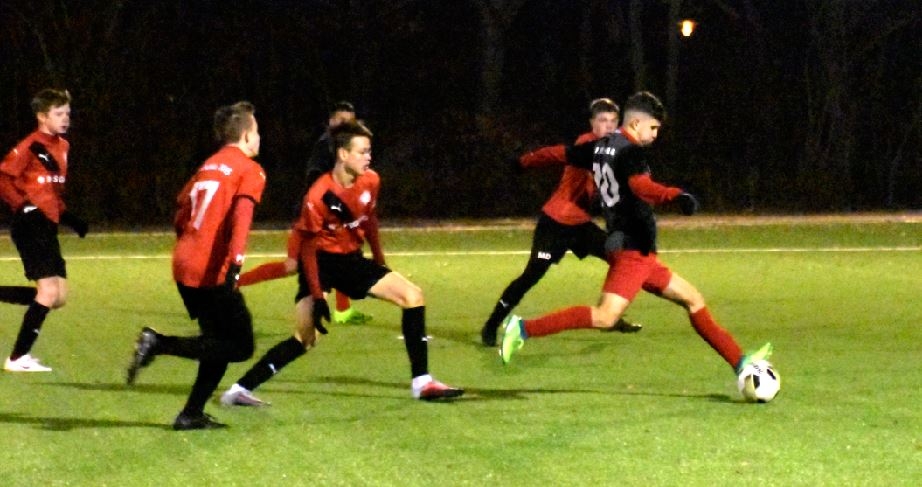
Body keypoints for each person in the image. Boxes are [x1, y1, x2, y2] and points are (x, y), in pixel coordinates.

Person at [499, 91, 772, 379]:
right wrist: (675, 195)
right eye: (653, 127)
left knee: (693, 299)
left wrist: (524, 162)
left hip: (636, 251)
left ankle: (741, 362)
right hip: (633, 251)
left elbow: (557, 153)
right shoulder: (630, 152)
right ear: (635, 123)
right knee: (606, 316)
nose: (655, 135)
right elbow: (640, 186)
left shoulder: (600, 146)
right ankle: (523, 329)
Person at [220, 119, 463, 407]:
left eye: (369, 151)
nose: (368, 157)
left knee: (413, 296)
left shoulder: (371, 180)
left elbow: (369, 221)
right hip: (319, 264)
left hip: (351, 262)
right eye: (362, 152)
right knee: (305, 338)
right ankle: (239, 390)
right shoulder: (318, 195)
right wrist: (317, 295)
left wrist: (380, 262)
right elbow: (308, 250)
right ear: (343, 154)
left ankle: (422, 383)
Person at [125, 101, 266, 430]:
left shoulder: (208, 165)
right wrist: (236, 262)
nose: (260, 138)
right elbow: (242, 216)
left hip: (185, 262)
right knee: (241, 346)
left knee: (217, 341)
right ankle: (158, 343)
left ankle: (191, 413)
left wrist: (189, 244)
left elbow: (181, 210)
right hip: (212, 269)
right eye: (257, 131)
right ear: (246, 135)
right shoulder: (250, 169)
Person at [480, 98, 641, 347]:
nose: (608, 126)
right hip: (555, 223)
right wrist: (524, 162)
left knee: (622, 259)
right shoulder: (586, 144)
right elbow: (554, 154)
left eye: (612, 121)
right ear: (592, 124)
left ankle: (608, 315)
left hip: (580, 225)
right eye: (602, 121)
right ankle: (491, 325)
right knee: (531, 276)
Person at [238, 100, 371, 325]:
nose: (345, 125)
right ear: (331, 121)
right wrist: (336, 206)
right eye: (341, 120)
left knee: (343, 253)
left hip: (329, 216)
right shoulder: (325, 146)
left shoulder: (345, 146)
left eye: (349, 121)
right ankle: (233, 284)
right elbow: (314, 180)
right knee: (292, 265)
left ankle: (343, 310)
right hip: (311, 215)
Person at [0, 88, 88, 372]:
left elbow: (50, 192)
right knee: (48, 293)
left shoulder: (62, 146)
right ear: (42, 116)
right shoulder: (31, 145)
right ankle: (17, 358)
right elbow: (3, 178)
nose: (65, 119)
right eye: (58, 114)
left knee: (57, 297)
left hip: (47, 224)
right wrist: (22, 206)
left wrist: (69, 218)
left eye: (67, 113)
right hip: (30, 224)